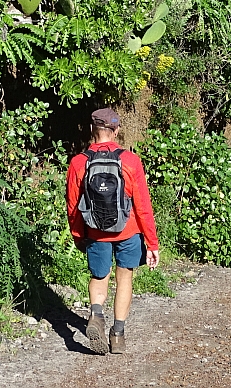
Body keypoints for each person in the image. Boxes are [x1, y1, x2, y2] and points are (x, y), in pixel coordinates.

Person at [65, 107, 160, 354]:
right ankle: (117, 334)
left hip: (95, 231)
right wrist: (152, 243)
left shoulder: (78, 162)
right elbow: (143, 206)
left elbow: (73, 207)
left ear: (91, 130)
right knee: (124, 277)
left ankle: (96, 315)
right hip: (128, 231)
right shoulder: (130, 161)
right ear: (116, 130)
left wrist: (78, 235)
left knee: (99, 277)